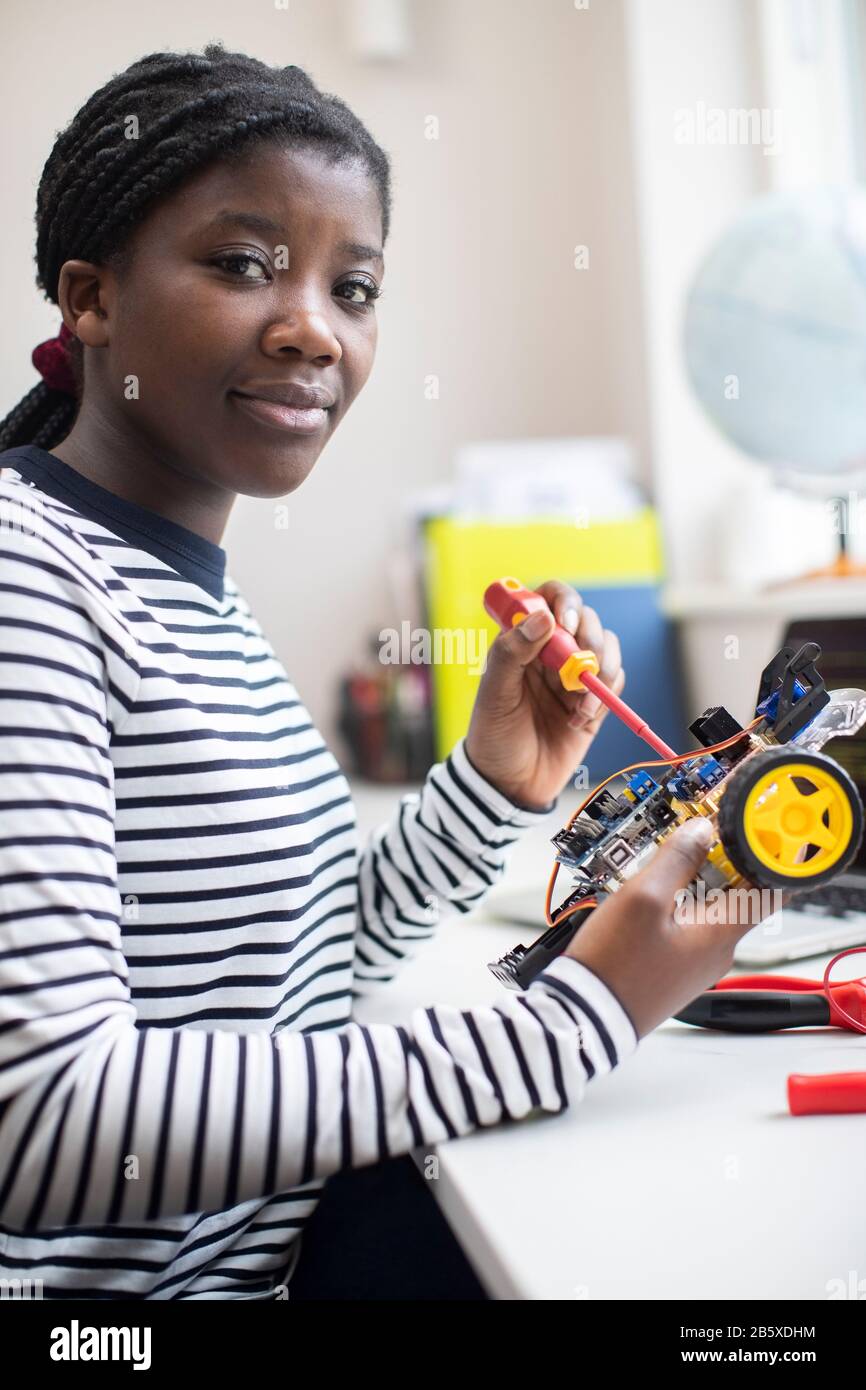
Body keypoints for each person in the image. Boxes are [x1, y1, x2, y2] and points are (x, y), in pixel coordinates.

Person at [0, 44, 759, 1300]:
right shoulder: (28, 575)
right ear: (90, 299)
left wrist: (488, 788)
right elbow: (42, 1117)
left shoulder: (180, 585)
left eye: (352, 287)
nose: (312, 327)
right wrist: (573, 1023)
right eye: (243, 265)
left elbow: (286, 979)